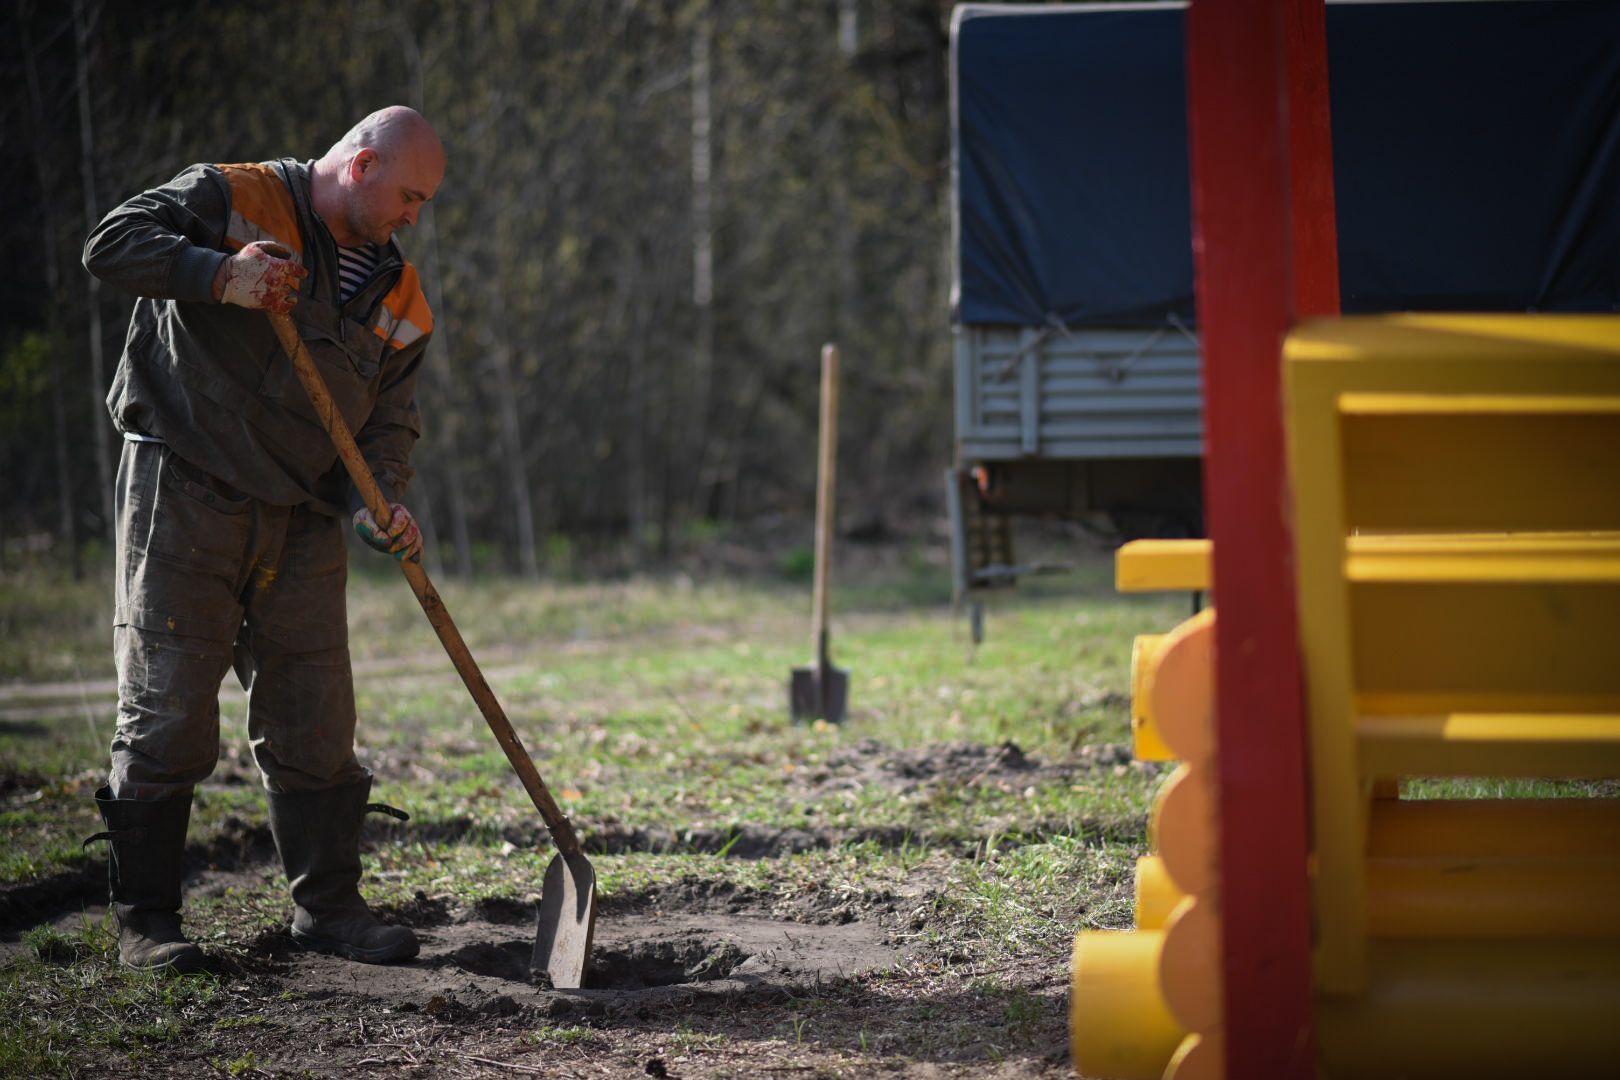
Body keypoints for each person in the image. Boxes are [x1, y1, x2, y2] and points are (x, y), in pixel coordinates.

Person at [81, 106, 446, 973]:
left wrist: (382, 498)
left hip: (305, 515)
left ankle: (329, 910)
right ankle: (147, 923)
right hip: (188, 487)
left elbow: (391, 420)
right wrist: (221, 276)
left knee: (317, 720)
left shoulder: (402, 297)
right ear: (361, 166)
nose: (413, 217)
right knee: (168, 711)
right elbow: (109, 245)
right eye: (409, 196)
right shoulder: (234, 197)